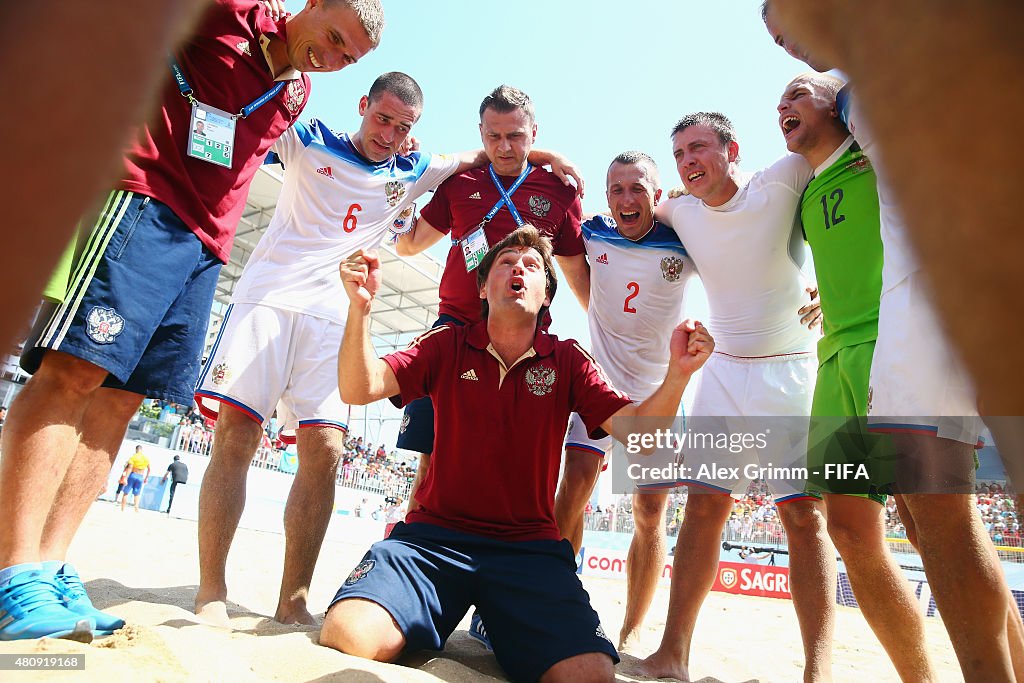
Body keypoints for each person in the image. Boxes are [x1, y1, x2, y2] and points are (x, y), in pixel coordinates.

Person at [0, 0, 384, 643]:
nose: (334, 55)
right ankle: (14, 572)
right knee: (71, 374)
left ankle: (54, 563)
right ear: (311, 5)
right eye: (335, 35)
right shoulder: (232, 14)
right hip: (142, 200)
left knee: (122, 402)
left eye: (350, 56)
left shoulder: (296, 93)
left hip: (208, 247)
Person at [192, 71, 579, 627]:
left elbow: (488, 153)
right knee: (236, 433)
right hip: (269, 300)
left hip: (337, 318)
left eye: (403, 126)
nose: (390, 133)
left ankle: (293, 599)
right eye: (382, 118)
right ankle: (211, 591)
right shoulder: (309, 139)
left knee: (324, 450)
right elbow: (243, 124)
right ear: (362, 107)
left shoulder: (414, 169)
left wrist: (546, 151)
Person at [321, 226, 713, 682]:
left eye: (531, 266)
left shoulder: (569, 361)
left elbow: (641, 435)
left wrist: (678, 376)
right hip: (432, 541)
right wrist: (361, 310)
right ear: (483, 288)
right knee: (348, 634)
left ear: (547, 296)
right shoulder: (445, 345)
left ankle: (498, 621)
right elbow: (359, 386)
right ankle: (441, 614)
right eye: (506, 263)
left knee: (590, 674)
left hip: (528, 551)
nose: (518, 271)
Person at [762, 4, 1024, 679]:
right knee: (880, 526)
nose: (786, 47)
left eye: (784, 25)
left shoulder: (873, 102)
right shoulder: (802, 185)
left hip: (908, 329)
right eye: (776, 42)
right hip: (845, 356)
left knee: (936, 514)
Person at [638, 112, 835, 682]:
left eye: (698, 148)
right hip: (722, 371)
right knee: (702, 509)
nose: (688, 161)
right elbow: (641, 209)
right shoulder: (679, 210)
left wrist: (832, 282)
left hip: (792, 370)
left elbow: (850, 182)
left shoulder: (784, 176)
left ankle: (817, 671)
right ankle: (673, 654)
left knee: (803, 521)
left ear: (732, 148)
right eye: (678, 153)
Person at [778, 70, 936, 680]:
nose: (784, 106)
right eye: (779, 101)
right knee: (846, 526)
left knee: (934, 531)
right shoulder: (809, 191)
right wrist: (829, 292)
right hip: (834, 360)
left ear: (838, 101)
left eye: (797, 92)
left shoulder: (876, 154)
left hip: (888, 348)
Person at [392, 84, 589, 516]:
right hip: (456, 333)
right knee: (433, 456)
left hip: (525, 345)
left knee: (519, 460)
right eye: (493, 136)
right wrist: (401, 179)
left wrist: (613, 332)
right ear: (480, 133)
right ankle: (414, 540)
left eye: (516, 136)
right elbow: (407, 245)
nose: (504, 147)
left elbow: (577, 275)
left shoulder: (558, 189)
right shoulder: (459, 181)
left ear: (534, 132)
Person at [550, 151, 695, 651]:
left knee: (650, 514)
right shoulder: (592, 231)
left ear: (657, 193)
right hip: (599, 389)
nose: (626, 199)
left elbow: (737, 264)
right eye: (617, 190)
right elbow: (547, 202)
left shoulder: (685, 236)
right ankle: (562, 606)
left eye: (638, 189)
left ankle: (633, 631)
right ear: (606, 195)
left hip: (658, 395)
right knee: (571, 496)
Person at [120, 446, 150, 513]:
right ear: (142, 450)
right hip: (140, 476)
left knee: (126, 493)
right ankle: (136, 508)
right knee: (137, 494)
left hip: (133, 475)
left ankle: (122, 508)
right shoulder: (146, 458)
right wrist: (146, 478)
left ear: (136, 450)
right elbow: (149, 469)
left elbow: (130, 468)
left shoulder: (133, 457)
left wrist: (125, 478)